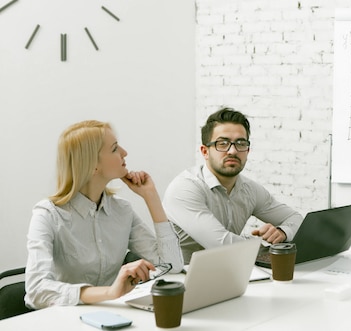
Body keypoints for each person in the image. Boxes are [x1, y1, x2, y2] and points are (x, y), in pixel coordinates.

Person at [25, 120, 183, 309]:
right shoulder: (48, 214)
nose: (125, 153)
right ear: (92, 165)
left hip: (114, 316)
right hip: (65, 318)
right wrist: (109, 292)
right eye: (115, 148)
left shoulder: (122, 210)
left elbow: (173, 265)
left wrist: (151, 197)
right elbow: (36, 291)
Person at [163, 107, 303, 263]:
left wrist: (283, 232)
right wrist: (270, 245)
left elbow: (295, 218)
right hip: (178, 279)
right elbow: (221, 244)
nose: (233, 151)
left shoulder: (250, 189)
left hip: (229, 272)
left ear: (247, 150)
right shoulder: (185, 188)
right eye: (222, 143)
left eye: (240, 143)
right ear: (205, 152)